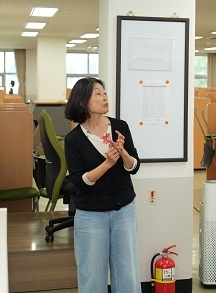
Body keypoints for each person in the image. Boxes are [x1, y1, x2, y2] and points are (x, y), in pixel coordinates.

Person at [64, 77, 141, 293]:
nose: (104, 97)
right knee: (92, 279)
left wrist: (123, 153)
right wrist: (107, 163)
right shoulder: (73, 140)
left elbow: (134, 166)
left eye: (104, 92)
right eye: (97, 93)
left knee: (128, 274)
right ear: (82, 102)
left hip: (124, 211)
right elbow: (80, 182)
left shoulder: (119, 126)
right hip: (91, 215)